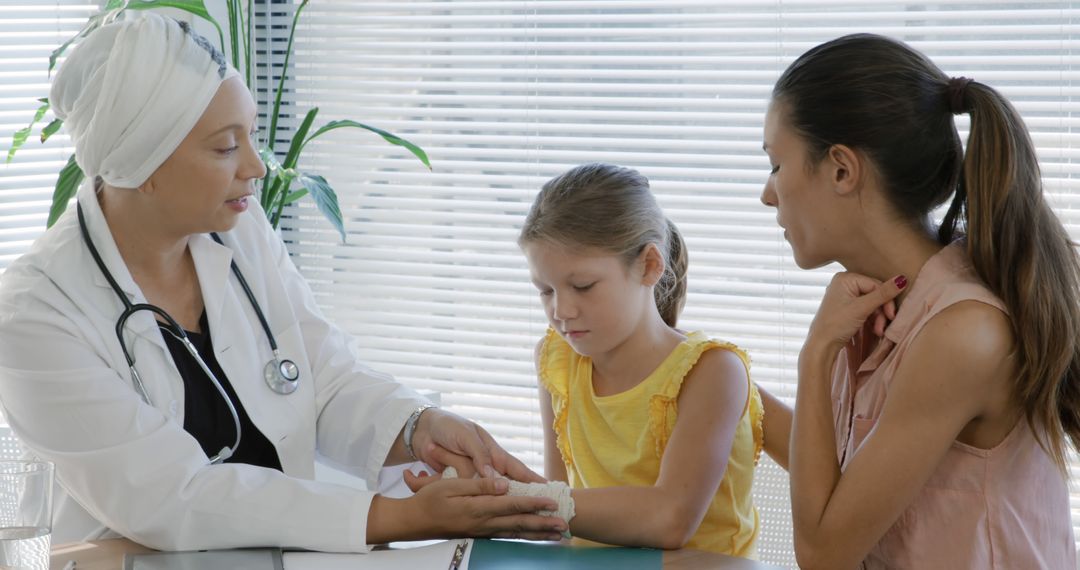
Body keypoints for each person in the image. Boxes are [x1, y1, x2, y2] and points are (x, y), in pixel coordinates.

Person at [0, 12, 568, 551]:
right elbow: (169, 499)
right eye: (226, 147)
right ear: (140, 166)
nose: (258, 165)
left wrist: (419, 426)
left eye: (249, 134)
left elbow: (320, 375)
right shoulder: (36, 313)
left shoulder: (238, 229)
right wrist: (397, 517)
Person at [758, 33, 1078, 569]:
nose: (768, 193)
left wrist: (814, 355)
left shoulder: (964, 332)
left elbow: (823, 552)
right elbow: (848, 479)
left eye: (775, 165)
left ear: (841, 168)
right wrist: (711, 377)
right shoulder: (878, 309)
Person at [519, 163, 762, 555]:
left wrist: (527, 500)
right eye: (545, 290)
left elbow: (671, 520)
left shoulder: (713, 372)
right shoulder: (557, 360)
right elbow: (560, 516)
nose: (561, 310)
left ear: (649, 265)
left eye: (582, 286)